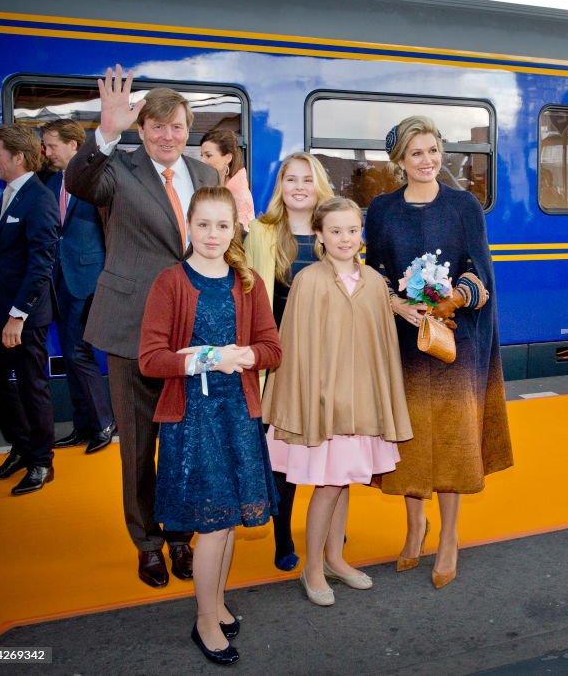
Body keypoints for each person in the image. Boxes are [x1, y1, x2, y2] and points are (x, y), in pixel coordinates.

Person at [66, 65, 220, 588]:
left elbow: (215, 244)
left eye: (177, 126)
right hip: (131, 326)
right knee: (138, 444)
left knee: (183, 439)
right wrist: (104, 132)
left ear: (188, 128)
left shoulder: (205, 175)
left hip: (193, 332)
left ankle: (180, 535)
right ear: (141, 129)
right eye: (156, 126)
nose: (167, 136)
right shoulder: (117, 170)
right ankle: (147, 543)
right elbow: (79, 180)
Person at [366, 115, 513, 589]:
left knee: (451, 443)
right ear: (400, 161)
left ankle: (448, 538)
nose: (427, 161)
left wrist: (450, 299)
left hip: (456, 342)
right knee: (409, 444)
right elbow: (376, 275)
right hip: (404, 342)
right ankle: (415, 530)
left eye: (433, 151)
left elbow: (482, 273)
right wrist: (399, 304)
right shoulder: (381, 210)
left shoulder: (464, 206)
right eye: (416, 153)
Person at [139, 186, 280, 665]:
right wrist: (205, 359)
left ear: (235, 229)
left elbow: (272, 350)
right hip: (193, 419)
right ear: (189, 228)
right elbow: (151, 359)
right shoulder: (170, 283)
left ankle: (216, 602)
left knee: (233, 520)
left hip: (238, 414)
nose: (213, 234)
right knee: (214, 524)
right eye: (203, 225)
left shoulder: (249, 283)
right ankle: (203, 620)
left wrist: (247, 355)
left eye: (222, 225)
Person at [263, 197, 411, 606]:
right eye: (335, 231)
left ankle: (335, 559)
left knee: (344, 483)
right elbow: (295, 350)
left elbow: (382, 349)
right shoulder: (308, 281)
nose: (345, 238)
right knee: (328, 486)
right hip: (324, 405)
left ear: (360, 233)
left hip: (360, 406)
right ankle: (312, 568)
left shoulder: (374, 283)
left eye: (351, 230)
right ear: (319, 237)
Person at [245, 152, 334, 571]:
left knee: (326, 449)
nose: (298, 187)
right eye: (290, 179)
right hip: (275, 362)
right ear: (280, 185)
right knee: (280, 456)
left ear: (318, 185)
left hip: (323, 358)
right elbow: (246, 296)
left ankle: (326, 526)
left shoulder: (330, 232)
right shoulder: (262, 232)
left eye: (306, 179)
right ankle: (282, 538)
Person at [0, 124, 58, 495]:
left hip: (23, 317)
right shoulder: (10, 194)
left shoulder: (39, 200)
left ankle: (41, 462)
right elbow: (4, 252)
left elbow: (41, 263)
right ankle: (22, 448)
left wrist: (17, 316)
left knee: (31, 387)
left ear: (18, 157)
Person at [40, 119, 116, 454]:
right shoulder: (54, 181)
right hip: (61, 279)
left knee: (77, 351)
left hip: (88, 278)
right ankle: (83, 425)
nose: (47, 152)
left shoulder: (96, 178)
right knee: (69, 354)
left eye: (52, 144)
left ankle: (103, 423)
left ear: (74, 145)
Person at [200, 129, 255, 231]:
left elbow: (242, 236)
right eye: (201, 155)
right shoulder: (209, 183)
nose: (202, 161)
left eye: (208, 155)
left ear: (228, 158)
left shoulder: (239, 194)